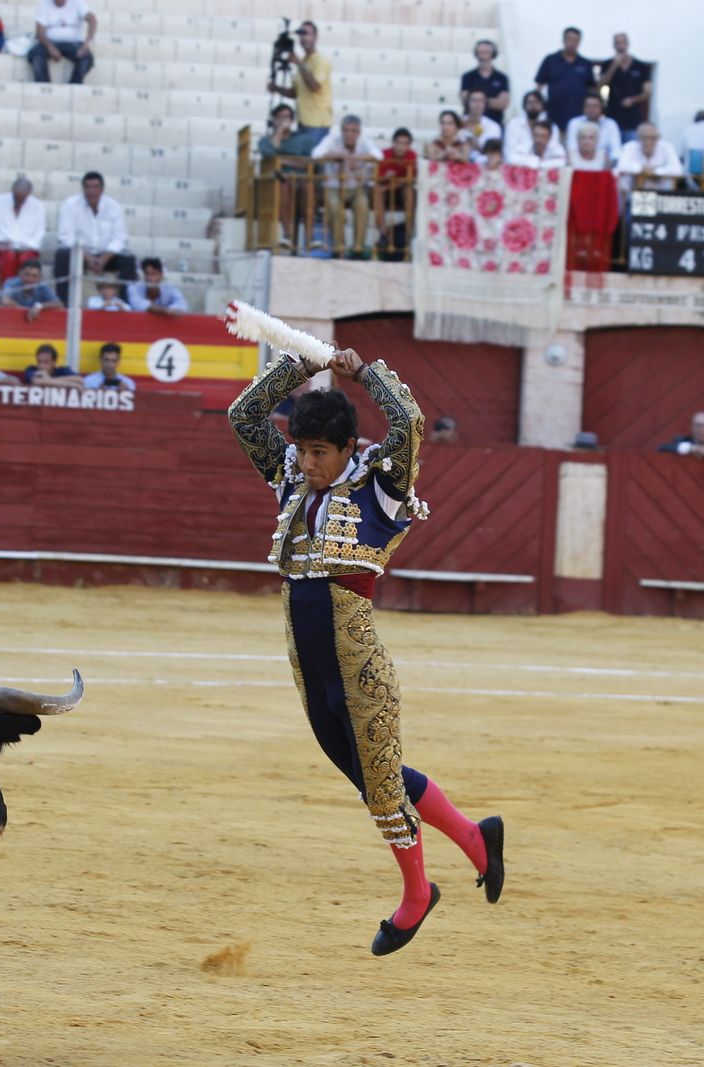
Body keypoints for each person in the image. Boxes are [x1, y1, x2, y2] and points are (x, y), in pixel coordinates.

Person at [226, 342, 505, 957]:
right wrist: (300, 368)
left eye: (319, 452)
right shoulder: (291, 481)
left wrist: (363, 373)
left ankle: (416, 895)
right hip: (307, 655)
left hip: (355, 657)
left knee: (379, 781)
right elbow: (244, 416)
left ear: (348, 448)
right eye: (300, 449)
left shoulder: (381, 483)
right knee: (365, 771)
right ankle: (475, 837)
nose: (306, 462)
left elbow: (408, 422)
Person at [56, 170, 137, 307]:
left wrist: (104, 258)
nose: (91, 191)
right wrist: (87, 256)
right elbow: (65, 237)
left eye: (95, 187)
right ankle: (63, 304)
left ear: (102, 189)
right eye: (88, 187)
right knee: (62, 256)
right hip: (81, 254)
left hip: (107, 256)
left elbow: (120, 238)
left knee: (128, 260)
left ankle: (127, 305)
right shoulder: (70, 205)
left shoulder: (114, 207)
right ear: (83, 188)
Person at [311, 115, 380, 259]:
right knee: (335, 207)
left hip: (355, 187)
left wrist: (353, 158)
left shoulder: (364, 141)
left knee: (363, 204)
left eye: (353, 131)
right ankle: (338, 247)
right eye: (346, 130)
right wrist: (338, 155)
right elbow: (315, 154)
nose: (349, 134)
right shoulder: (332, 139)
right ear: (341, 130)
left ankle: (358, 247)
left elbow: (378, 156)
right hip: (333, 186)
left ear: (359, 132)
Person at [267, 21, 332, 152]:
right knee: (304, 160)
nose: (303, 38)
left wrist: (298, 63)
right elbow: (295, 93)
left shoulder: (321, 61)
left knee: (314, 162)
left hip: (317, 123)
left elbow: (314, 87)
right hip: (303, 121)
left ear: (315, 37)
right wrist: (276, 88)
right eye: (301, 34)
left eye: (306, 34)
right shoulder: (303, 62)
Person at [534, 26, 597, 133]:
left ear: (579, 42)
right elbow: (539, 87)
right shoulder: (550, 60)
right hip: (554, 117)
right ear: (563, 40)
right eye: (569, 39)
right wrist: (540, 107)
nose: (572, 43)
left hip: (579, 119)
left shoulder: (585, 64)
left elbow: (592, 90)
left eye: (575, 40)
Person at [0, 177, 47, 286]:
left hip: (27, 248)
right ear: (12, 191)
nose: (18, 201)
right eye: (16, 197)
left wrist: (24, 246)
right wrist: (0, 241)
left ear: (28, 194)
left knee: (26, 261)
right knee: (9, 257)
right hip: (2, 248)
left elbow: (39, 233)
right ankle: (7, 295)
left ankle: (24, 295)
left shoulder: (38, 206)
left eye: (22, 198)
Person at [598, 32, 653, 142]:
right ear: (614, 46)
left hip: (633, 119)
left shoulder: (640, 66)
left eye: (623, 42)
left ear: (628, 44)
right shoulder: (607, 64)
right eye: (617, 43)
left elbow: (647, 92)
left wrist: (633, 100)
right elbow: (601, 85)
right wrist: (614, 65)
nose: (620, 46)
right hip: (612, 117)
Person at [373, 128, 417, 262]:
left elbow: (410, 179)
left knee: (409, 191)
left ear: (409, 145)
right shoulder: (383, 154)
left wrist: (393, 183)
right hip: (385, 190)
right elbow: (377, 179)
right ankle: (383, 233)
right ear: (393, 143)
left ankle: (408, 234)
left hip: (400, 190)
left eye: (404, 143)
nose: (400, 147)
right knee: (377, 191)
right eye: (398, 142)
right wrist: (388, 181)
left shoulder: (412, 156)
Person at [29, 0, 96, 84]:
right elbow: (39, 32)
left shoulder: (77, 2)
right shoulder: (45, 4)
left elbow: (92, 19)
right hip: (50, 42)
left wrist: (87, 44)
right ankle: (44, 87)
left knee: (86, 58)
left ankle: (74, 86)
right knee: (36, 55)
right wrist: (50, 47)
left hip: (74, 43)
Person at [614, 123, 684, 188]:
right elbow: (620, 167)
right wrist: (641, 168)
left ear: (658, 138)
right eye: (645, 138)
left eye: (652, 138)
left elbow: (678, 170)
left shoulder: (667, 147)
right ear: (638, 138)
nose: (648, 142)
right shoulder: (629, 147)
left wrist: (655, 171)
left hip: (660, 194)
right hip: (632, 193)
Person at [460, 39, 508, 125]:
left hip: (495, 123)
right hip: (471, 124)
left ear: (493, 54)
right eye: (479, 53)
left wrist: (476, 101)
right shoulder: (467, 77)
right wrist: (492, 101)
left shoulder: (502, 78)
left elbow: (503, 103)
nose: (482, 56)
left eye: (486, 52)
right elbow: (465, 100)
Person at [565, 94, 622, 166]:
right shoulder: (574, 123)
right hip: (578, 164)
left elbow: (616, 151)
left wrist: (608, 164)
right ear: (583, 108)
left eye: (595, 106)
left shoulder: (611, 124)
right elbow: (572, 148)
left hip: (604, 165)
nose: (591, 110)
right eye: (588, 106)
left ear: (601, 108)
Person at [503, 90, 560, 161]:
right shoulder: (513, 125)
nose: (533, 106)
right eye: (529, 103)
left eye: (537, 102)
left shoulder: (552, 127)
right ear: (524, 105)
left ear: (542, 105)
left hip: (546, 166)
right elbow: (509, 155)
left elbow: (554, 152)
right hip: (519, 166)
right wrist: (534, 161)